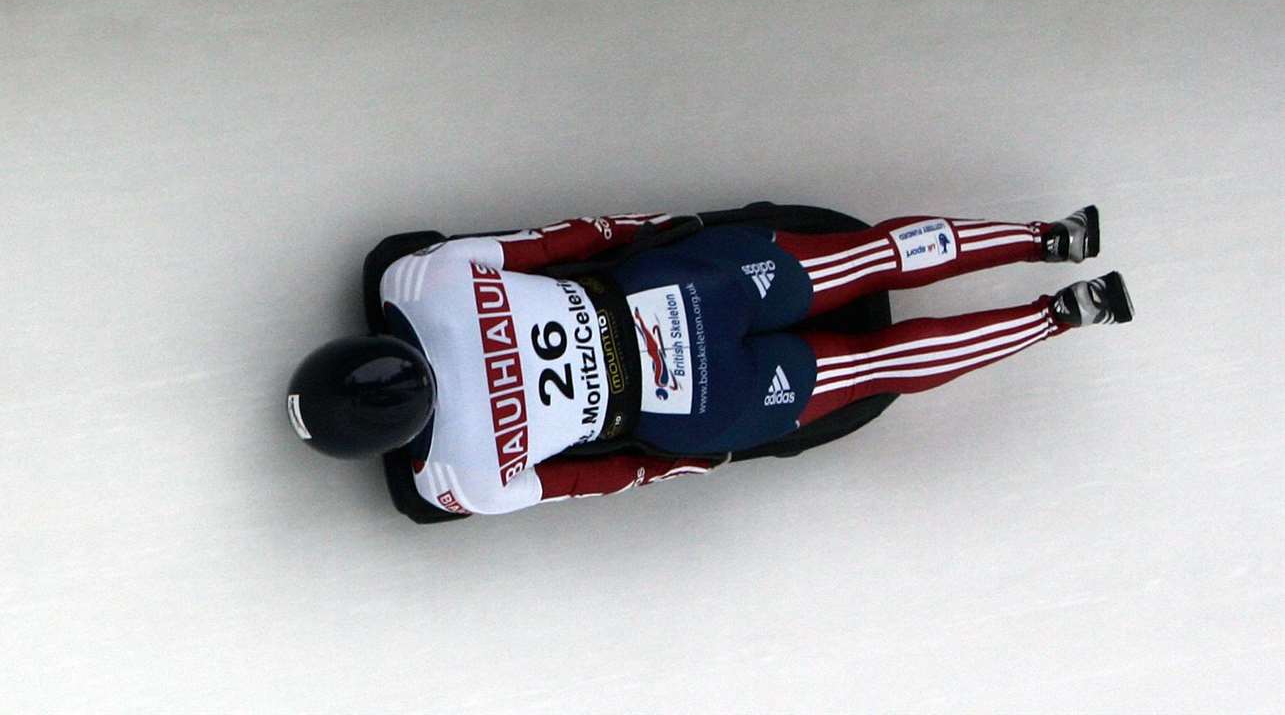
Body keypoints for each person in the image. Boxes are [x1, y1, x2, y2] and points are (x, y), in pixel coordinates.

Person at [286, 207, 1132, 517]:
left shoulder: (459, 479)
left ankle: (1059, 315)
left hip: (693, 404)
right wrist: (660, 233)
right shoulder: (423, 279)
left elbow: (604, 479)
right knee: (866, 258)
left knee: (869, 369)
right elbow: (570, 240)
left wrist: (699, 456)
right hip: (684, 290)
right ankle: (1046, 238)